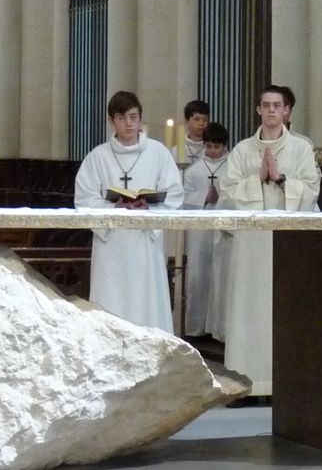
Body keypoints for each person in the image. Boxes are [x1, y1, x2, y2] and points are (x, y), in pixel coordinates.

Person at [219, 87, 320, 398]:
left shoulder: (301, 149)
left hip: (286, 242)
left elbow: (312, 189)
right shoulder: (242, 150)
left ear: (287, 111)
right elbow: (226, 192)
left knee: (283, 308)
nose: (272, 110)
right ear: (258, 110)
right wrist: (256, 179)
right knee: (248, 311)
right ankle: (244, 385)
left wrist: (280, 179)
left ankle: (286, 384)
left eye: (278, 105)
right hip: (251, 245)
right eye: (266, 105)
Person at [74, 90, 184, 332]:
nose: (129, 124)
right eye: (122, 118)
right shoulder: (97, 157)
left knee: (147, 303)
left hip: (146, 241)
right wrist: (114, 206)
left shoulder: (158, 153)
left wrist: (149, 205)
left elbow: (174, 193)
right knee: (111, 303)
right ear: (111, 121)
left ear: (140, 118)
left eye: (133, 117)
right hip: (111, 245)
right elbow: (84, 199)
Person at [180, 121, 229, 338]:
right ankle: (196, 327)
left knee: (220, 274)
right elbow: (182, 195)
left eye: (216, 147)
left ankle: (218, 328)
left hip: (222, 227)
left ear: (224, 146)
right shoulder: (194, 170)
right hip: (200, 227)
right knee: (198, 274)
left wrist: (221, 197)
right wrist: (203, 197)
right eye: (208, 146)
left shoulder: (231, 167)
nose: (212, 151)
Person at [175, 99, 210, 164]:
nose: (201, 123)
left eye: (205, 120)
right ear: (186, 121)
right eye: (197, 119)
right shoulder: (176, 151)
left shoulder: (214, 150)